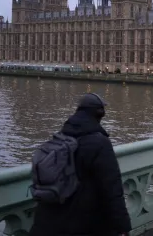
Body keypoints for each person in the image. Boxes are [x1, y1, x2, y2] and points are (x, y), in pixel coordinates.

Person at [30, 93, 132, 236]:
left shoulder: (60, 136)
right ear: (99, 114)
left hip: (49, 219)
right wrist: (123, 227)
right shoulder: (100, 143)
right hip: (82, 222)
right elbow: (112, 190)